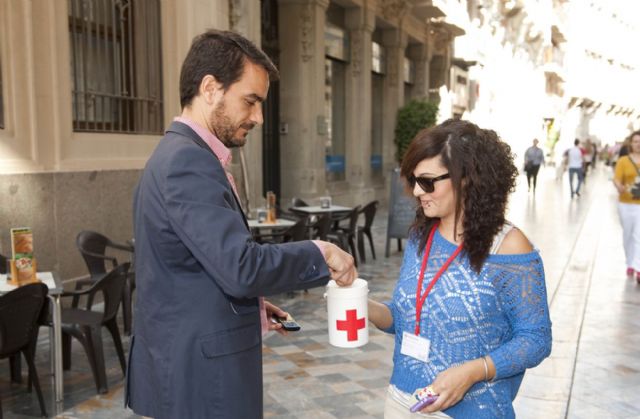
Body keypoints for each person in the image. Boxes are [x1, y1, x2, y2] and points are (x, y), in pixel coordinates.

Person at [126, 30, 357, 419]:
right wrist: (322, 251)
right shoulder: (188, 161)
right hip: (201, 382)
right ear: (211, 88)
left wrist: (249, 306)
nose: (258, 117)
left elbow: (185, 269)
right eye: (251, 101)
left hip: (190, 371)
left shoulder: (179, 154)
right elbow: (241, 267)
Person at [368, 119, 552, 418]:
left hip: (472, 411)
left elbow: (536, 340)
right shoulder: (420, 236)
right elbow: (405, 318)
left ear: (465, 177)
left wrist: (473, 371)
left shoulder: (509, 246)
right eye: (413, 180)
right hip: (403, 401)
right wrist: (362, 305)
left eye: (427, 181)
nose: (416, 191)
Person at [613, 130, 640, 283]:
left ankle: (638, 266)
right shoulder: (623, 160)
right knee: (628, 235)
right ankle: (630, 262)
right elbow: (617, 179)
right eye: (636, 141)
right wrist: (619, 187)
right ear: (631, 143)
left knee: (639, 236)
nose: (638, 144)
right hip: (626, 203)